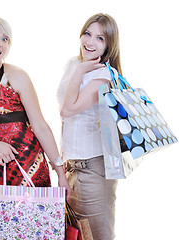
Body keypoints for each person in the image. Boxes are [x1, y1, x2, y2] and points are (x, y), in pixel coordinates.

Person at [0, 17, 71, 197]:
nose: (0, 43)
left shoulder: (16, 76)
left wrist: (60, 173)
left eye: (5, 39)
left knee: (34, 224)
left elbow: (40, 126)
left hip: (29, 166)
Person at [57, 13, 121, 240]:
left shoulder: (104, 75)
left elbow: (67, 109)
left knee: (97, 235)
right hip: (72, 168)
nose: (90, 42)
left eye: (100, 38)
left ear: (108, 45)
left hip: (93, 168)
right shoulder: (74, 64)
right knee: (79, 235)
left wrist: (81, 71)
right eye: (87, 34)